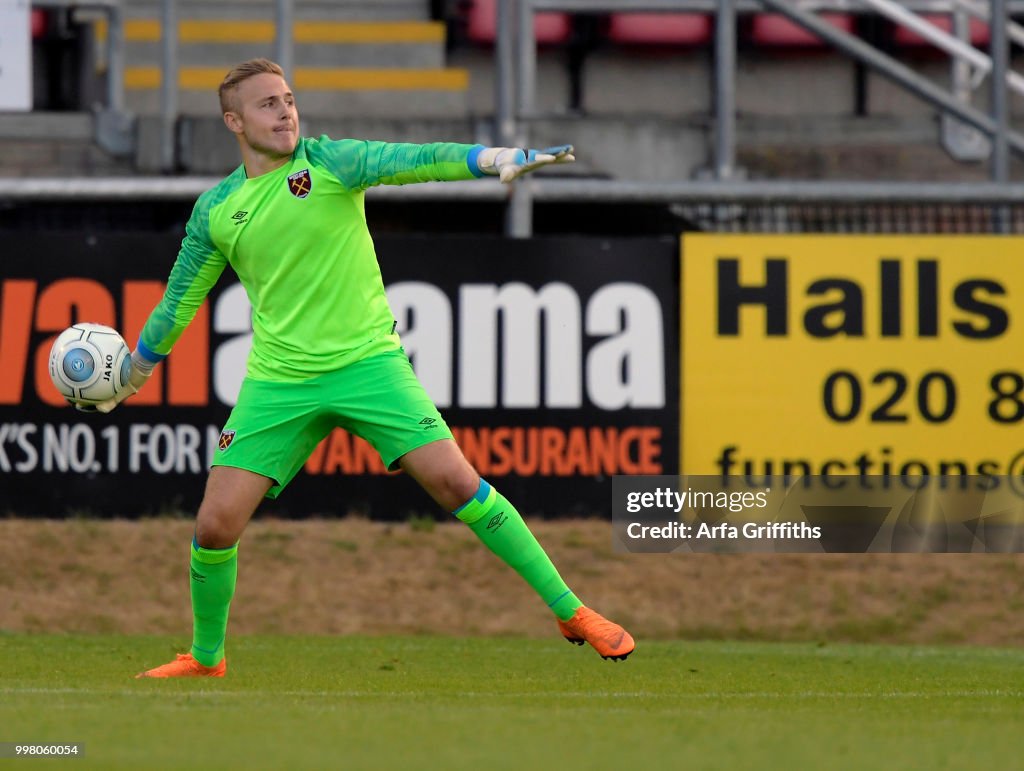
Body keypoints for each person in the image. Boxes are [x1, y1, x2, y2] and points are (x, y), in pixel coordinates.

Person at [93, 58, 634, 677]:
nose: (286, 111)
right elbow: (179, 300)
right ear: (233, 121)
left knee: (457, 484)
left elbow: (411, 160)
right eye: (268, 103)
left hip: (369, 363)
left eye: (290, 99)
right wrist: (134, 371)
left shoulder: (328, 162)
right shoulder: (217, 209)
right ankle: (207, 657)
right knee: (215, 527)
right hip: (280, 379)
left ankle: (572, 610)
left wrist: (490, 160)